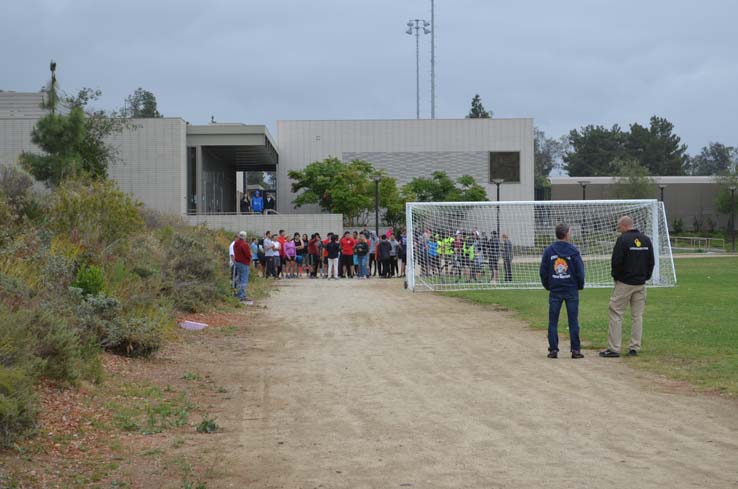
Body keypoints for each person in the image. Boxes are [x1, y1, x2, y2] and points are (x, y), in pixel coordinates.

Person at [600, 215, 655, 358]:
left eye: (619, 228)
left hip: (624, 283)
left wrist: (616, 277)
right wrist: (645, 277)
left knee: (616, 313)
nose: (619, 231)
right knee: (637, 316)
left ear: (624, 226)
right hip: (640, 284)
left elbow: (616, 261)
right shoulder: (646, 240)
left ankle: (614, 348)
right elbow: (651, 262)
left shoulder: (622, 240)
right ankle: (634, 347)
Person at [540, 223, 585, 359]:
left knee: (553, 321)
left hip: (556, 289)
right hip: (570, 289)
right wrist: (580, 285)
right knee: (573, 321)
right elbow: (580, 271)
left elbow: (543, 271)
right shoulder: (573, 250)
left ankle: (553, 349)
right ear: (566, 234)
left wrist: (548, 285)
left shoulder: (549, 251)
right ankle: (575, 350)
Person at [233, 231, 253, 305]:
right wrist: (250, 257)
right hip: (244, 263)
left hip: (237, 262)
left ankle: (239, 294)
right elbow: (248, 254)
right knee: (244, 279)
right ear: (245, 236)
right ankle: (242, 295)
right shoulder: (244, 244)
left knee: (239, 279)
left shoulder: (236, 243)